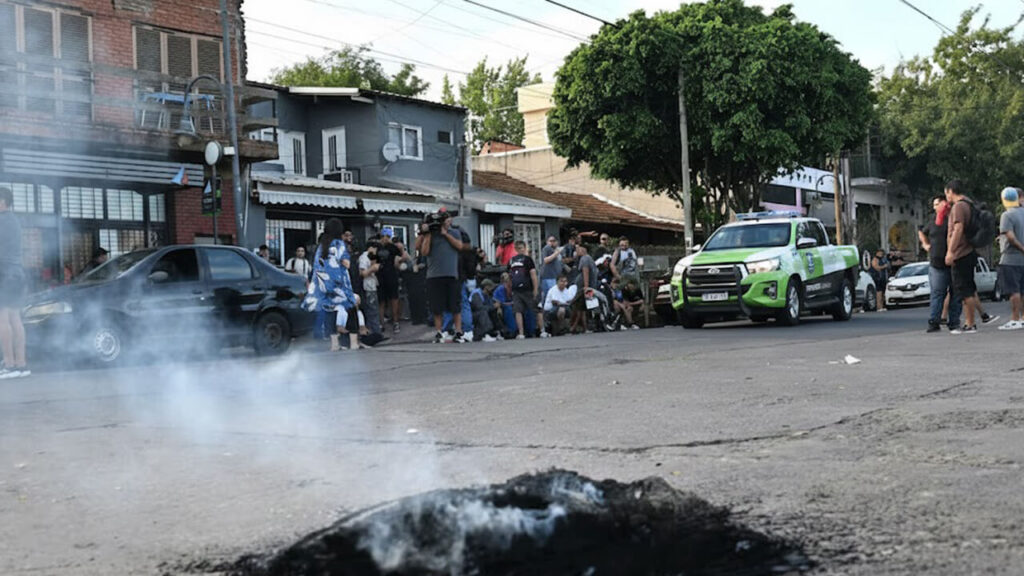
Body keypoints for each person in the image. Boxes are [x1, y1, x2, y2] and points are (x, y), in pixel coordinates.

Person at [305, 218, 361, 351]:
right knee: (352, 308)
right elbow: (346, 264)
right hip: (341, 283)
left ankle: (334, 344)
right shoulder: (339, 244)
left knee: (330, 311)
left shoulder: (321, 246)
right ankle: (353, 343)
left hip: (326, 284)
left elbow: (317, 267)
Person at [416, 210, 469, 343]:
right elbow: (423, 251)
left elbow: (460, 246)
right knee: (437, 307)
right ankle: (439, 332)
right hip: (434, 275)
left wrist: (445, 234)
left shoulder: (454, 232)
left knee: (455, 306)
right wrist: (426, 234)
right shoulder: (429, 235)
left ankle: (458, 332)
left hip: (451, 274)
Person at [919, 195, 961, 332]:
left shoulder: (954, 218)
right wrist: (925, 244)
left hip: (954, 263)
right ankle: (934, 321)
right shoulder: (933, 221)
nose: (935, 207)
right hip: (937, 264)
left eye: (937, 204)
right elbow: (921, 231)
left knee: (955, 294)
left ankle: (954, 321)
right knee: (937, 293)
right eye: (934, 205)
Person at [945, 179, 982, 334]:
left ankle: (970, 323)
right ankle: (969, 322)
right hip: (969, 251)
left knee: (964, 290)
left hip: (961, 253)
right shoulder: (970, 204)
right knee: (968, 288)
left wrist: (951, 251)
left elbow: (958, 229)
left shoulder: (959, 206)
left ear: (951, 191)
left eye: (946, 192)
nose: (946, 196)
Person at [0, 187, 29, 379]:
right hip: (17, 274)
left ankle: (9, 365)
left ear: (2, 201)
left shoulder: (2, 220)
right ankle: (21, 364)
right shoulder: (14, 220)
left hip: (4, 273)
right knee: (15, 319)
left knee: (2, 319)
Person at [997, 187, 1024, 330]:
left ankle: (1014, 319)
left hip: (1010, 258)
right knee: (1023, 289)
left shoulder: (1007, 215)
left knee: (1013, 290)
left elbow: (1011, 237)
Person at [508, 240, 546, 339]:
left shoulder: (511, 260)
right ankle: (542, 331)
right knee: (537, 309)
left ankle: (521, 333)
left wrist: (510, 289)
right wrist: (535, 289)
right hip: (528, 288)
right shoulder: (528, 259)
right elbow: (533, 275)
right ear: (524, 248)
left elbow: (509, 277)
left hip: (516, 289)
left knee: (518, 311)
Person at [377, 229, 403, 334]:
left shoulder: (393, 248)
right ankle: (381, 323)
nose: (385, 238)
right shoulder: (377, 247)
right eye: (383, 236)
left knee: (394, 299)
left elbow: (400, 259)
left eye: (387, 236)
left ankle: (396, 322)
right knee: (381, 301)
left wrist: (401, 251)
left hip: (391, 275)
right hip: (380, 276)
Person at [570, 244, 599, 333]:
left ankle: (580, 327)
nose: (576, 251)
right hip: (589, 287)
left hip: (585, 287)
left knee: (582, 307)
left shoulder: (584, 259)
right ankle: (583, 327)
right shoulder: (589, 258)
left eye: (578, 249)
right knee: (584, 307)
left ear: (583, 249)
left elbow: (585, 271)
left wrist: (586, 287)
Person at [358, 239, 383, 336]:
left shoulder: (371, 258)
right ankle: (375, 332)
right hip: (367, 286)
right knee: (372, 310)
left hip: (372, 285)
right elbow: (362, 273)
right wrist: (373, 268)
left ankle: (375, 332)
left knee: (374, 309)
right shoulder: (364, 257)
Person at [493, 272, 518, 338]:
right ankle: (512, 330)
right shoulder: (501, 288)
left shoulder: (513, 288)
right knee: (508, 309)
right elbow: (501, 302)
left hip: (512, 304)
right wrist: (512, 303)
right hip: (501, 306)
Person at [539, 235, 562, 302]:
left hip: (555, 276)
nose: (552, 243)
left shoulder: (556, 250)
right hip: (548, 277)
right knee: (551, 296)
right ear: (547, 242)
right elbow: (546, 260)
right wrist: (556, 253)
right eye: (550, 241)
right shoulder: (547, 248)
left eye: (554, 241)